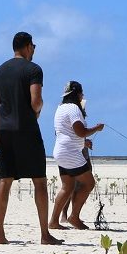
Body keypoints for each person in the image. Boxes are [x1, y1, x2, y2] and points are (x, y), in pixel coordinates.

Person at [0, 32, 59, 245]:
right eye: (34, 46)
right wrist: (37, 111)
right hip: (27, 129)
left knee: (5, 181)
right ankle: (44, 234)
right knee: (39, 181)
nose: (34, 51)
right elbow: (36, 101)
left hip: (6, 131)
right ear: (28, 46)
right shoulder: (34, 69)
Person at [49, 81, 104, 230]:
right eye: (81, 93)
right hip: (71, 153)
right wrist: (96, 129)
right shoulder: (74, 108)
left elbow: (67, 132)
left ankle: (54, 221)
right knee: (89, 183)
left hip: (60, 151)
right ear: (76, 93)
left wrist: (83, 143)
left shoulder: (60, 108)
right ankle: (74, 216)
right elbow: (80, 132)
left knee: (67, 187)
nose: (82, 96)